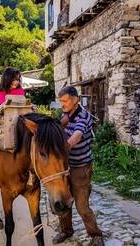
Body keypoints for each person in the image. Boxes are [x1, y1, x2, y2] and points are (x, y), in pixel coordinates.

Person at [54, 86, 104, 246]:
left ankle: (96, 235)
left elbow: (76, 136)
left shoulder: (83, 116)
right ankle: (66, 231)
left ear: (75, 99)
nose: (62, 104)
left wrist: (62, 149)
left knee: (82, 206)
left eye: (65, 101)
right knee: (63, 202)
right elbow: (60, 126)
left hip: (81, 167)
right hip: (65, 166)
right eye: (60, 101)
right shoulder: (67, 113)